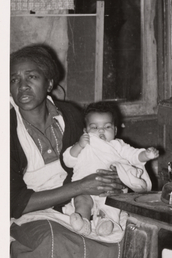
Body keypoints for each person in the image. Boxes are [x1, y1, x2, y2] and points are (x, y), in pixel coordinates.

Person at [10, 45, 126, 258]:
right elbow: (14, 202)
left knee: (124, 236)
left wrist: (109, 179)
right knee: (52, 239)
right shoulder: (3, 125)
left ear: (49, 83)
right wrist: (83, 186)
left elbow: (99, 160)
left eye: (30, 77)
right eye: (14, 79)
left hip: (75, 202)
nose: (21, 86)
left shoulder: (72, 116)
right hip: (24, 213)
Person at [62, 101, 159, 238]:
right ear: (85, 131)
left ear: (115, 130)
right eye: (94, 127)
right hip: (84, 189)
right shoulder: (84, 146)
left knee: (112, 205)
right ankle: (83, 222)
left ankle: (106, 222)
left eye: (107, 127)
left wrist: (146, 155)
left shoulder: (117, 146)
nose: (101, 131)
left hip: (110, 191)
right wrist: (79, 145)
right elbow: (68, 160)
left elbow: (133, 156)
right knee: (81, 201)